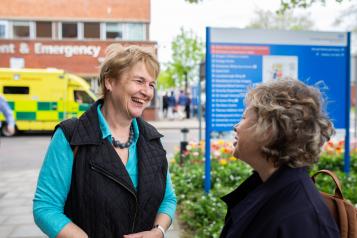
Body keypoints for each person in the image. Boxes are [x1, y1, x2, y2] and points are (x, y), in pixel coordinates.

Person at [33, 44, 177, 238]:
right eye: (139, 81)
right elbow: (45, 208)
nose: (147, 91)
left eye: (151, 84)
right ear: (110, 82)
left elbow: (168, 198)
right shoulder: (71, 135)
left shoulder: (151, 139)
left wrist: (158, 231)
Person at [220, 79, 339, 238]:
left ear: (269, 129)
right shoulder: (272, 190)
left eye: (244, 118)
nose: (236, 126)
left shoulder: (302, 219)